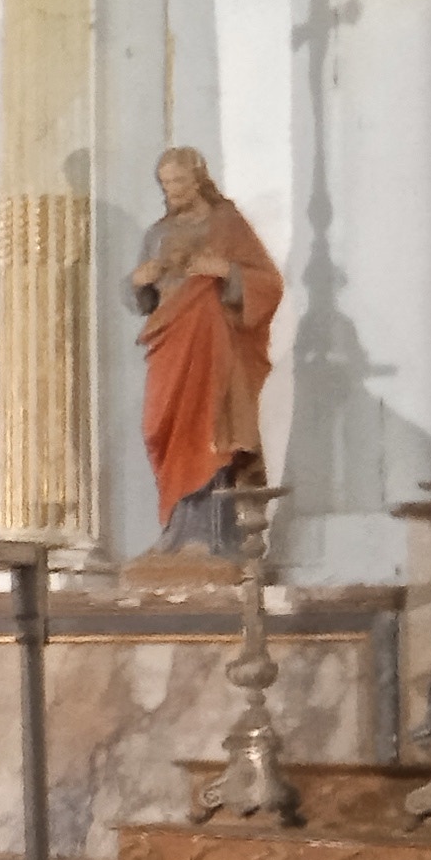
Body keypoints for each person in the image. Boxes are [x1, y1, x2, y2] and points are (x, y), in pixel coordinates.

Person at [129, 145, 282, 556]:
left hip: (212, 342)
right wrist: (140, 283)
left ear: (198, 179)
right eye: (166, 184)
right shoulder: (156, 234)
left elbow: (268, 283)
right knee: (160, 425)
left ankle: (211, 535)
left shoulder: (226, 223)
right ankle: (176, 529)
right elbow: (143, 301)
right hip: (171, 341)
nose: (173, 191)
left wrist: (227, 271)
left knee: (208, 427)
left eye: (179, 181)